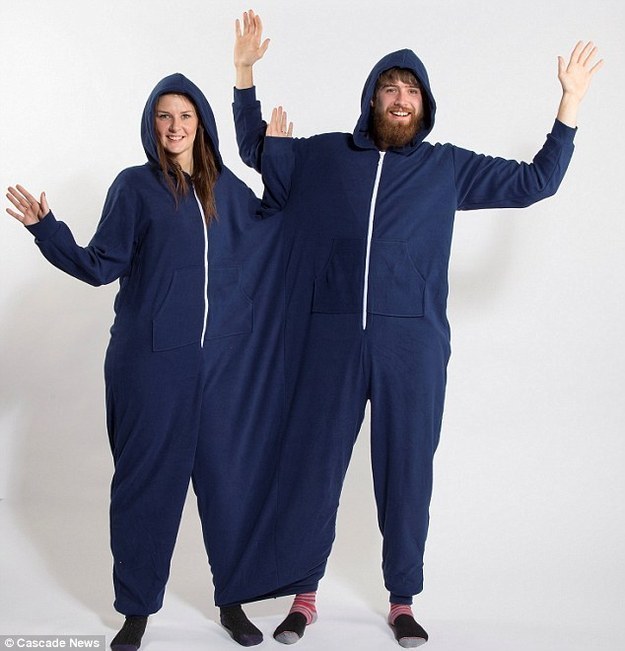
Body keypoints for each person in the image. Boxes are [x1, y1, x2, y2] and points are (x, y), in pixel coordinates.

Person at [232, 10, 602, 648]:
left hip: (413, 346)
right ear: (371, 98)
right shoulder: (327, 155)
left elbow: (536, 182)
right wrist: (244, 76)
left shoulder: (445, 167)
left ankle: (402, 601)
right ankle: (303, 596)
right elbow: (256, 152)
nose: (400, 99)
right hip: (330, 342)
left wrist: (568, 105)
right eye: (390, 88)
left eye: (411, 91)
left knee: (407, 471)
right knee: (313, 466)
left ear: (424, 106)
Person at [6, 73, 293, 649]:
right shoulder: (135, 187)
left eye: (185, 116)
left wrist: (279, 155)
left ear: (201, 124)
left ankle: (233, 601)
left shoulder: (227, 190)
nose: (175, 126)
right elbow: (99, 265)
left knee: (229, 486)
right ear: (151, 124)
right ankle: (136, 611)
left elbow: (279, 222)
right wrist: (46, 230)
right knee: (146, 489)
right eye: (164, 116)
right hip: (150, 366)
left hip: (221, 369)